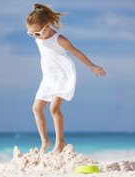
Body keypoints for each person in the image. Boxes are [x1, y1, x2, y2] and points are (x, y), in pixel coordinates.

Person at [26, 4, 106, 154]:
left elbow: (76, 52)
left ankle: (60, 141)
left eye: (37, 33)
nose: (35, 37)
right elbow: (39, 39)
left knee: (54, 108)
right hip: (48, 76)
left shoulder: (59, 39)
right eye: (31, 34)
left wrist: (92, 66)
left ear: (48, 26)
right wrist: (36, 31)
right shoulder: (38, 37)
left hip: (63, 74)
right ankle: (45, 141)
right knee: (36, 108)